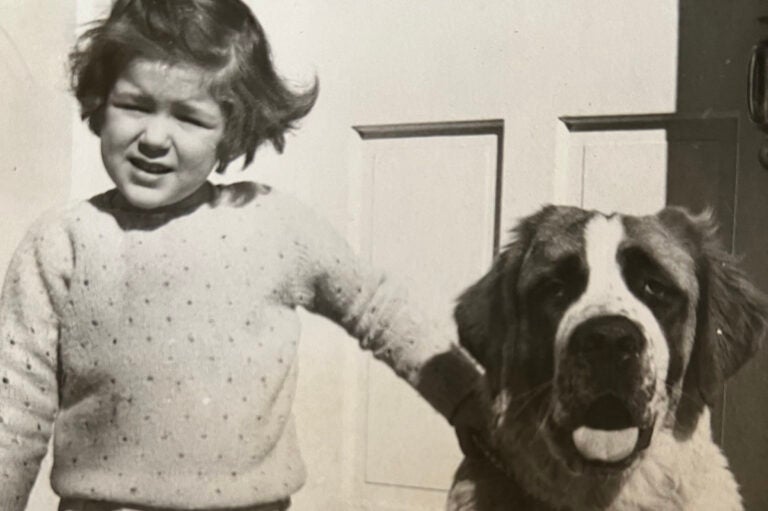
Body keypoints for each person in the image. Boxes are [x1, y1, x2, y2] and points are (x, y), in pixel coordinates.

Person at [0, 1, 487, 510]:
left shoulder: (272, 225)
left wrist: (468, 400)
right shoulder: (60, 243)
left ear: (230, 132)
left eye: (189, 117)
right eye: (136, 106)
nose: (155, 138)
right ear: (101, 102)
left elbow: (378, 310)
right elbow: (15, 410)